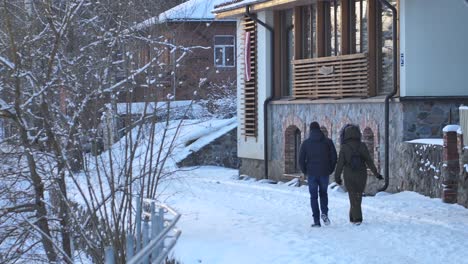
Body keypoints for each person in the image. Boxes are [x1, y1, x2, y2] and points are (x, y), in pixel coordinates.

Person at [334, 124, 383, 225]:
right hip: (361, 174)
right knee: (358, 195)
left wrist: (337, 177)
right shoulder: (362, 146)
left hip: (349, 174)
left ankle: (357, 219)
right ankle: (353, 217)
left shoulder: (344, 147)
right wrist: (376, 173)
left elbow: (340, 164)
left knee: (352, 195)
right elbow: (369, 161)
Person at [299, 122, 337, 227]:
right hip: (324, 172)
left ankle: (316, 221)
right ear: (319, 129)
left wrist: (305, 171)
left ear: (310, 130)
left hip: (311, 174)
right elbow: (334, 157)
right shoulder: (328, 142)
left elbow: (301, 159)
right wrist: (330, 169)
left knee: (313, 197)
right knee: (323, 194)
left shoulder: (306, 143)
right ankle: (324, 213)